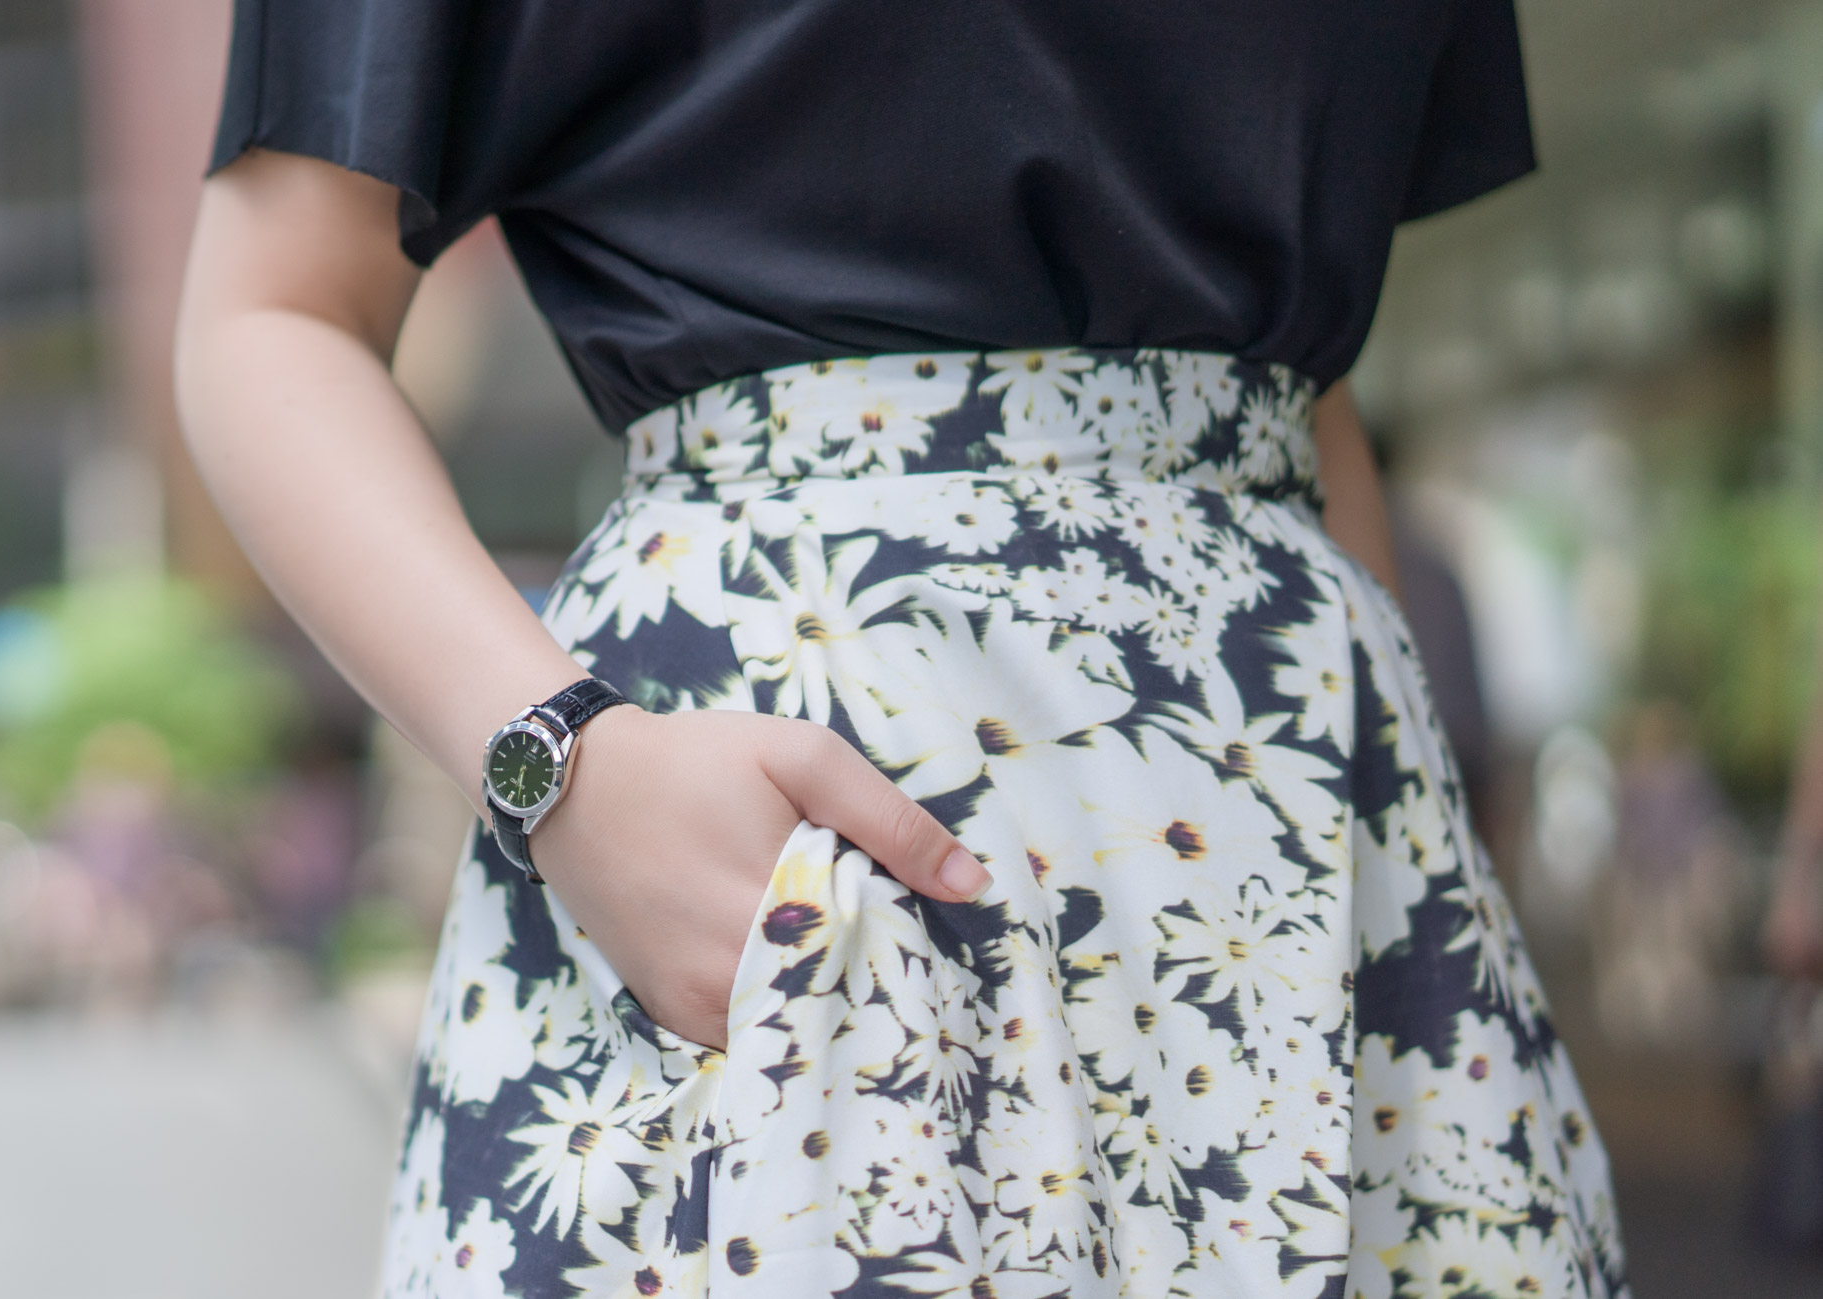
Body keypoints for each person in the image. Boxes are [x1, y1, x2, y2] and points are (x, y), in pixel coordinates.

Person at [174, 2, 1626, 1294]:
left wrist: (1411, 867)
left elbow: (1302, 382)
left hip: (1311, 833)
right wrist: (565, 768)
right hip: (786, 832)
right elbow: (274, 305)